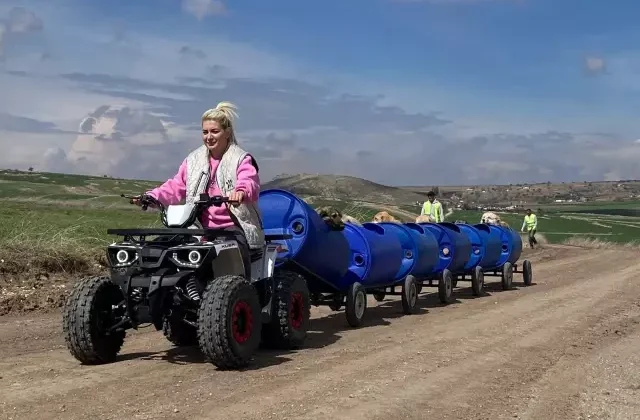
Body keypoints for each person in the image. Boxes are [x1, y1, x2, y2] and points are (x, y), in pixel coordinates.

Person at [133, 101, 264, 280]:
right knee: (161, 248)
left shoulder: (241, 159)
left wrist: (240, 191)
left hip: (233, 227)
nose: (209, 137)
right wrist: (151, 197)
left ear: (227, 133)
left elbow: (249, 181)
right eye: (205, 132)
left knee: (229, 259)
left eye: (214, 131)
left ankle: (242, 296)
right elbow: (176, 186)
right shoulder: (193, 160)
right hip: (198, 227)